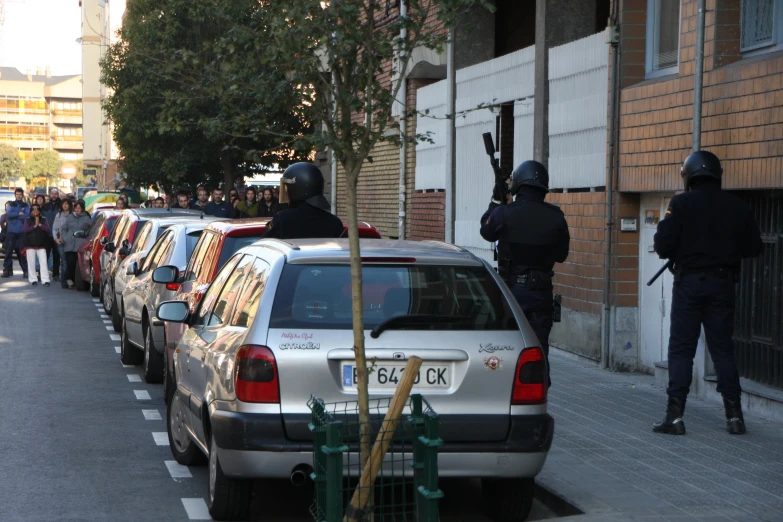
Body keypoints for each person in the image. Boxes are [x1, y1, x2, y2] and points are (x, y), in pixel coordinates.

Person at [652, 151, 762, 435]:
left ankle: (674, 417)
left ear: (689, 176)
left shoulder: (681, 203)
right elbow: (754, 247)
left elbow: (663, 245)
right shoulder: (737, 206)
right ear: (717, 174)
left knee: (681, 349)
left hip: (689, 283)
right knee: (723, 348)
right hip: (723, 283)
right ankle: (735, 417)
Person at [479, 161, 570, 386]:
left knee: (504, 348)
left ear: (518, 185)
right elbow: (561, 254)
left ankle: (502, 391)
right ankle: (538, 396)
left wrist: (496, 201)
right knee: (539, 350)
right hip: (541, 294)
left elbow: (486, 231)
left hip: (511, 294)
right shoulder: (556, 216)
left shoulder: (505, 213)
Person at [262, 163, 343, 239]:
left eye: (286, 188)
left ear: (295, 188)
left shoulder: (282, 219)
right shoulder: (335, 222)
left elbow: (265, 247)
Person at [61, 200, 91, 289]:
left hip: (80, 244)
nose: (77, 210)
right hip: (70, 243)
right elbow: (64, 228)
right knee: (70, 262)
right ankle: (69, 279)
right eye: (76, 208)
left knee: (78, 264)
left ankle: (75, 280)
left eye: (79, 208)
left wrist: (85, 238)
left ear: (82, 209)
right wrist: (65, 238)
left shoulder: (86, 218)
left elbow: (90, 229)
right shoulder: (70, 217)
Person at [2, 188, 30, 278]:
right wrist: (19, 213)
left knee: (22, 252)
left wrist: (16, 215)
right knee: (8, 252)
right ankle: (6, 270)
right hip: (11, 231)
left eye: (20, 194)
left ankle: (25, 271)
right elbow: (9, 215)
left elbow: (26, 216)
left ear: (22, 195)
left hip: (21, 231)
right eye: (17, 194)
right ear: (15, 195)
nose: (19, 196)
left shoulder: (26, 205)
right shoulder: (11, 204)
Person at [23, 204, 51, 286]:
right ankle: (33, 279)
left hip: (41, 244)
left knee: (44, 262)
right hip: (30, 244)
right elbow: (25, 229)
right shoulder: (27, 220)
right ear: (31, 211)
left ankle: (45, 280)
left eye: (37, 209)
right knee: (31, 263)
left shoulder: (44, 219)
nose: (35, 210)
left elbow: (47, 229)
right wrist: (34, 226)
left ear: (39, 210)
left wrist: (40, 224)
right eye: (33, 209)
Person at [42, 189, 61, 280]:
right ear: (50, 195)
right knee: (45, 256)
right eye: (52, 194)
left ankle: (56, 274)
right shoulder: (45, 206)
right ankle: (44, 274)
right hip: (46, 235)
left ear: (58, 195)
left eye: (56, 194)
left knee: (56, 255)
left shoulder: (61, 206)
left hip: (57, 235)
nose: (54, 195)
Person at [53, 199, 72, 289]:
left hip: (71, 242)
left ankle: (70, 279)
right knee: (64, 262)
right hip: (60, 241)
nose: (65, 206)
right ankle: (63, 281)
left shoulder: (72, 215)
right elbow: (54, 228)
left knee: (70, 262)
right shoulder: (59, 215)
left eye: (67, 204)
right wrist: (56, 238)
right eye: (63, 204)